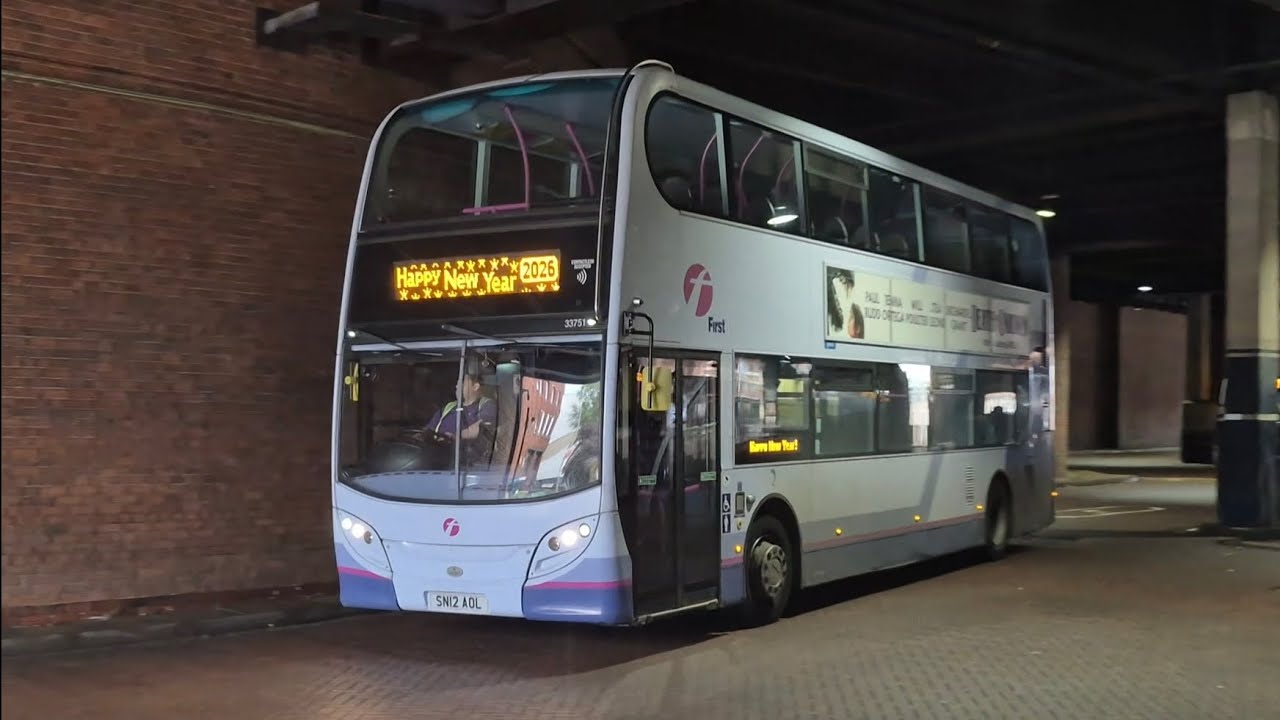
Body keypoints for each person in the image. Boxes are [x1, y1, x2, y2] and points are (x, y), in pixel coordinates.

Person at [425, 372, 496, 441]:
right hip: (437, 450)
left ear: (475, 387)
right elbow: (429, 430)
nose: (456, 386)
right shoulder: (449, 407)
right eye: (457, 383)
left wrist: (456, 436)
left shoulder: (486, 405)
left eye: (461, 383)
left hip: (464, 452)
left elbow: (483, 428)